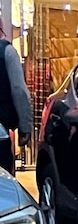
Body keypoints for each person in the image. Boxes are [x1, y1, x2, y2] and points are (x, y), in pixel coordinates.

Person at [0, 26, 32, 176]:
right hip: (1, 130)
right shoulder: (6, 52)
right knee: (5, 188)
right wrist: (25, 127)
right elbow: (19, 91)